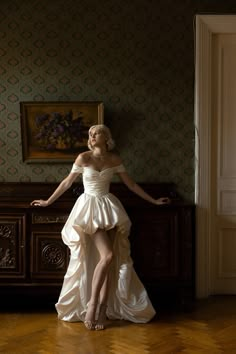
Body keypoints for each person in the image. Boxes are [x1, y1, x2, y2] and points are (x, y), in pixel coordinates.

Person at [31, 124, 170, 331]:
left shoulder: (114, 159)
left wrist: (154, 201)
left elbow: (131, 185)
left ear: (107, 137)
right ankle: (92, 306)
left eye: (97, 133)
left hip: (109, 208)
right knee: (108, 256)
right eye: (91, 134)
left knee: (110, 260)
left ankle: (103, 310)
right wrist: (47, 202)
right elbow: (67, 183)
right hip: (89, 209)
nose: (93, 136)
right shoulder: (83, 158)